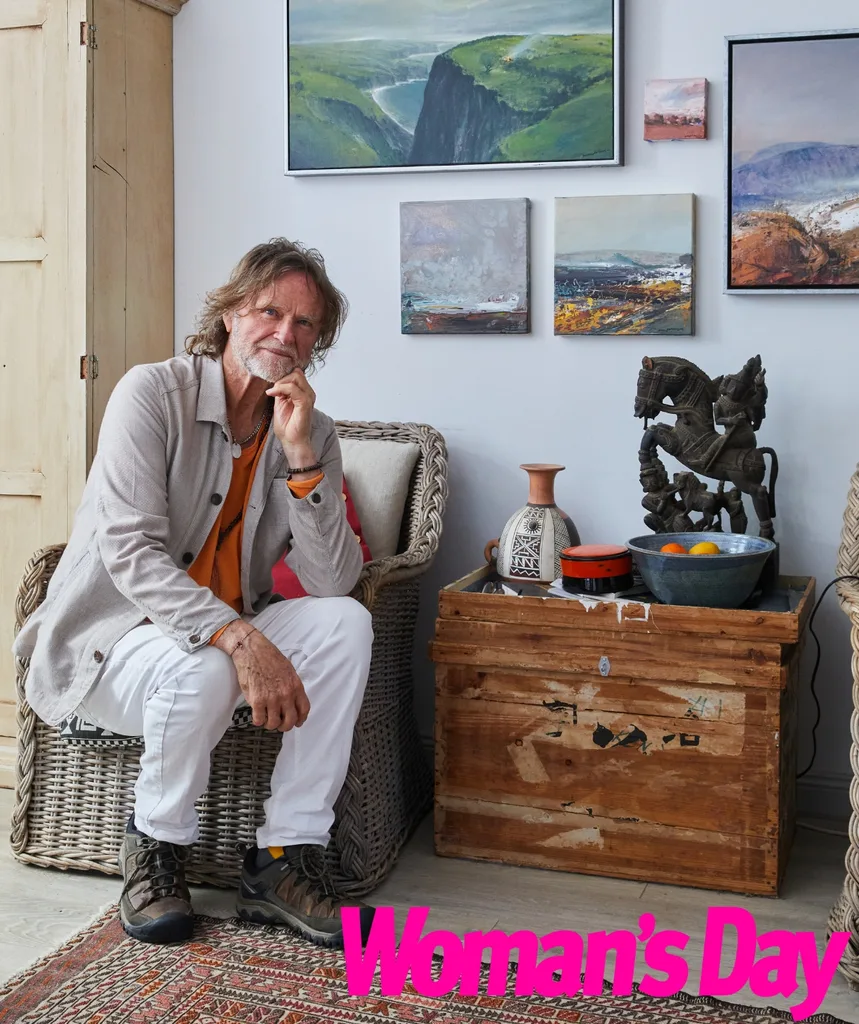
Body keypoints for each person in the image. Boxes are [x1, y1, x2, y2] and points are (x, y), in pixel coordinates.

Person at [12, 239, 376, 948]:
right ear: (231, 313)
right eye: (270, 312)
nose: (285, 334)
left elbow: (333, 580)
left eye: (305, 325)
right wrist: (239, 636)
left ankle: (283, 859)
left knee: (345, 622)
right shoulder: (152, 394)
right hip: (108, 651)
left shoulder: (312, 432)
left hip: (208, 647)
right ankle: (155, 848)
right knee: (210, 654)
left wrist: (301, 457)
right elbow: (129, 550)